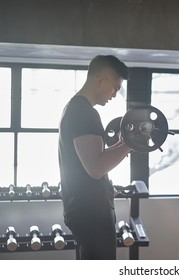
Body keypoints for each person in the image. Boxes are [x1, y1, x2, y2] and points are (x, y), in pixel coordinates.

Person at [58, 55, 132, 259]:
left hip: (86, 210)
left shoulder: (75, 109)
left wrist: (122, 143)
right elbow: (96, 167)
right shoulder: (83, 112)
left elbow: (93, 160)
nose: (115, 95)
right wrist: (130, 143)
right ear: (101, 80)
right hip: (91, 213)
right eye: (115, 87)